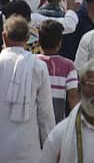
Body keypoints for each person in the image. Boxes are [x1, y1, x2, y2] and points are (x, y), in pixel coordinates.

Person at [0, 15, 54, 163]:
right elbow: (46, 114)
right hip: (28, 149)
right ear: (27, 38)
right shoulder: (38, 66)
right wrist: (52, 149)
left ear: (4, 37)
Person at [36, 20, 79, 124]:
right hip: (57, 122)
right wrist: (77, 122)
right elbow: (72, 97)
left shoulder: (32, 62)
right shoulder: (68, 66)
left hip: (34, 122)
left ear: (39, 41)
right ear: (60, 43)